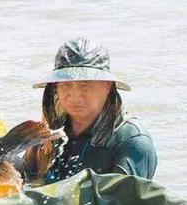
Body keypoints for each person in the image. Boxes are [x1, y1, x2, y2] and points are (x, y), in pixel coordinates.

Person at [23, 37, 157, 184]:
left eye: (84, 86)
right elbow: (26, 185)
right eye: (66, 86)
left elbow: (121, 203)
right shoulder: (47, 137)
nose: (75, 96)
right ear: (56, 88)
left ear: (107, 86)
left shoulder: (132, 141)